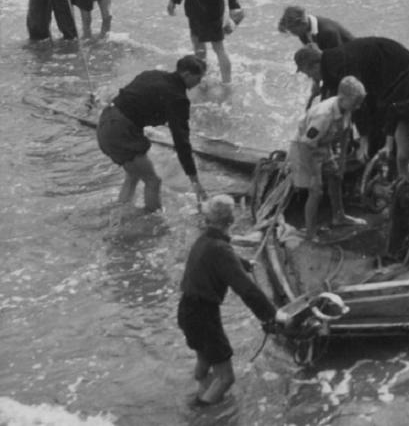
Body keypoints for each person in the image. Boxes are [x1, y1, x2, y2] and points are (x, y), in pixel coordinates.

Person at [178, 195, 280, 407]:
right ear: (231, 220)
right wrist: (272, 316)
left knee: (204, 360)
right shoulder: (221, 250)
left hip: (187, 311)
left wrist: (243, 264)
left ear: (208, 219)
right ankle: (201, 414)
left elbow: (219, 257)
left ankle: (200, 392)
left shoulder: (204, 239)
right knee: (226, 378)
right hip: (204, 316)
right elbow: (247, 290)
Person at [96, 55, 208, 212]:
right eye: (198, 78)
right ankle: (153, 221)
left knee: (133, 175)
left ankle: (121, 211)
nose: (199, 82)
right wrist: (195, 181)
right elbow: (181, 142)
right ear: (187, 74)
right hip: (120, 130)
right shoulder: (177, 98)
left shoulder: (151, 74)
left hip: (105, 121)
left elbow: (130, 99)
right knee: (153, 181)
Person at [293, 36, 409, 159]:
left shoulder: (339, 65)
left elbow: (357, 101)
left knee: (380, 117)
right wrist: (317, 85)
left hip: (398, 66)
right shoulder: (328, 61)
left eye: (307, 73)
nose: (309, 77)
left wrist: (364, 141)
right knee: (373, 120)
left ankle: (390, 152)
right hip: (380, 67)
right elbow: (335, 100)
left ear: (314, 66)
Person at [288, 76, 367, 242]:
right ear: (342, 98)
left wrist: (342, 161)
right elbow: (307, 144)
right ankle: (310, 233)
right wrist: (314, 176)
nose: (358, 106)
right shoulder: (324, 115)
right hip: (304, 148)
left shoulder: (346, 108)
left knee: (336, 176)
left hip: (322, 145)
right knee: (316, 191)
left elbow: (345, 133)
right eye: (356, 103)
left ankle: (339, 216)